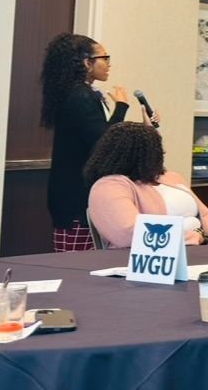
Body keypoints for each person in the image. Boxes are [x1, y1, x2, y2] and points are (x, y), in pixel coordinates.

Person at [39, 33, 154, 252]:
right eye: (105, 58)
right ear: (87, 63)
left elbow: (102, 137)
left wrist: (144, 127)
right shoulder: (81, 96)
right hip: (76, 198)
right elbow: (105, 144)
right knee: (76, 265)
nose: (109, 64)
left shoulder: (79, 93)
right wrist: (121, 107)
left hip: (75, 194)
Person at [86, 123, 208, 247]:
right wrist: (197, 238)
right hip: (149, 260)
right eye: (156, 148)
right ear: (136, 154)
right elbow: (130, 232)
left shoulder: (172, 177)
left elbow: (205, 214)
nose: (163, 152)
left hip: (198, 249)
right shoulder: (109, 187)